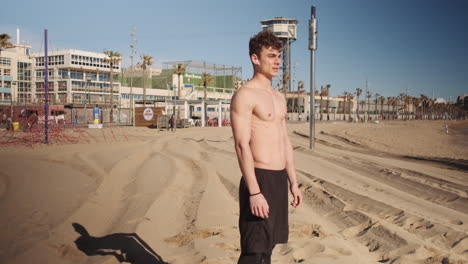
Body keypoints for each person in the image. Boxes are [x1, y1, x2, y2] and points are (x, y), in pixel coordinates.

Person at [230, 30, 303, 264]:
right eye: (271, 56)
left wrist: (293, 182)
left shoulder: (279, 97)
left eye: (278, 56)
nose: (277, 62)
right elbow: (241, 145)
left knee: (268, 248)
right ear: (255, 58)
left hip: (279, 179)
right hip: (259, 178)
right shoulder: (244, 95)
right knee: (253, 251)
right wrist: (254, 191)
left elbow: (285, 141)